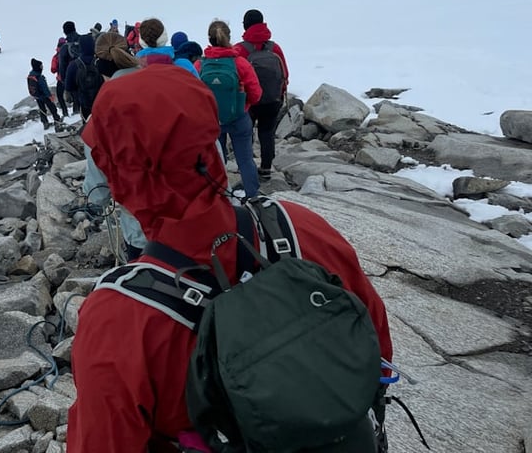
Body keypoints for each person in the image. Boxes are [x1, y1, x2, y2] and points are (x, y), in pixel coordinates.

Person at [68, 64, 393, 453]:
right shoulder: (300, 227)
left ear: (122, 178)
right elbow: (376, 345)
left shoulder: (118, 320)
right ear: (210, 142)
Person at [83, 32, 146, 261]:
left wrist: (93, 202)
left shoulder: (99, 118)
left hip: (143, 230)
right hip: (195, 212)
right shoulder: (169, 86)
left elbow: (97, 191)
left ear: (100, 70)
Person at [196, 20, 261, 198]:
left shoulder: (200, 65)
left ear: (210, 39)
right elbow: (256, 93)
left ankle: (220, 197)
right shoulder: (240, 63)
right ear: (229, 37)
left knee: (217, 159)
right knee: (245, 160)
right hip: (239, 118)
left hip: (212, 120)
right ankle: (253, 196)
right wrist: (243, 104)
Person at [235, 9, 290, 181]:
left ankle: (247, 168)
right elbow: (285, 74)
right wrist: (280, 94)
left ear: (245, 25)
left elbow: (235, 76)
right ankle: (266, 168)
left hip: (249, 100)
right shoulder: (275, 48)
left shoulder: (240, 49)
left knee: (246, 133)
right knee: (267, 133)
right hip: (272, 100)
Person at [65, 32, 103, 122]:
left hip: (85, 104)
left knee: (88, 128)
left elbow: (69, 87)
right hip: (102, 101)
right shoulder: (100, 60)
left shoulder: (73, 65)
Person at [28, 59, 62, 130]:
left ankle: (45, 122)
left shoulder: (31, 75)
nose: (42, 67)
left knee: (42, 109)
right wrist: (50, 96)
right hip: (44, 96)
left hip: (37, 96)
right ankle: (57, 120)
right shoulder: (39, 77)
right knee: (52, 107)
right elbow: (45, 88)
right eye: (41, 66)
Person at [50, 37, 70, 118]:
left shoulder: (56, 56)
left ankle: (65, 112)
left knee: (60, 96)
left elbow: (53, 69)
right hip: (71, 76)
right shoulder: (71, 51)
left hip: (61, 78)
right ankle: (77, 109)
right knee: (75, 94)